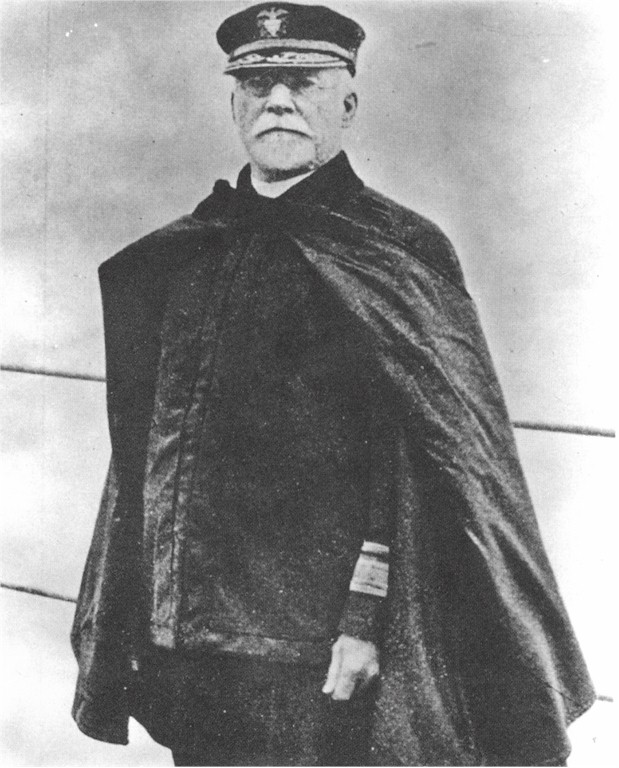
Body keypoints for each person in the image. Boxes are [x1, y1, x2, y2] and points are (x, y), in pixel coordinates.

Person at [71, 3, 595, 765]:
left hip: (317, 648)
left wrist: (361, 622)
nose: (278, 102)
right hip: (193, 638)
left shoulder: (396, 247)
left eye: (303, 83)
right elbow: (148, 453)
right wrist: (143, 612)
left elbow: (416, 466)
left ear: (345, 104)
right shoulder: (190, 254)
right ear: (234, 104)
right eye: (258, 85)